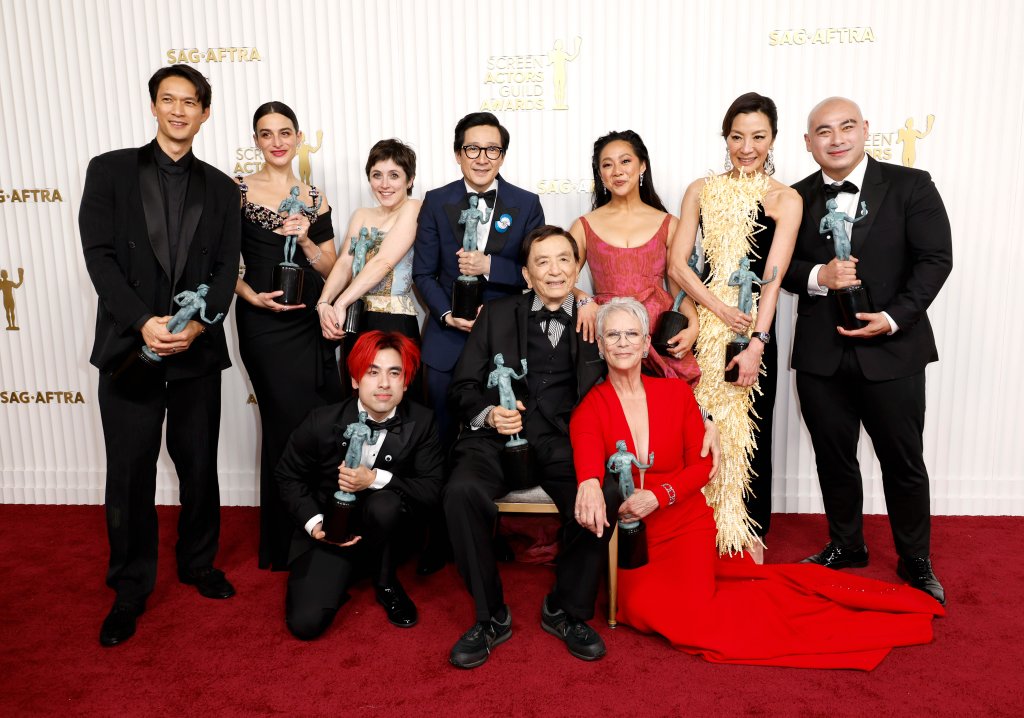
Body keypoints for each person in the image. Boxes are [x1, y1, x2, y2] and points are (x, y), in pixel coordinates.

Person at [570, 298, 944, 670]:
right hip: (636, 537)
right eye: (613, 334)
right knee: (637, 609)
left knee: (696, 618)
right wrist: (588, 482)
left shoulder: (675, 393)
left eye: (631, 333)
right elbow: (587, 461)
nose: (622, 342)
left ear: (645, 341)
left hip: (684, 523)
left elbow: (702, 469)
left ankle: (838, 630)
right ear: (600, 345)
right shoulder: (590, 408)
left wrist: (659, 495)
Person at [79, 65, 241, 647]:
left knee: (199, 466)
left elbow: (227, 269)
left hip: (196, 353)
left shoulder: (224, 188)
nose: (178, 110)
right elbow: (98, 256)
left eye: (190, 102)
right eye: (168, 100)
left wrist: (198, 324)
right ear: (153, 107)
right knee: (129, 473)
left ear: (205, 112)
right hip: (131, 348)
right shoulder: (110, 170)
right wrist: (141, 322)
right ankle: (129, 587)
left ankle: (198, 563)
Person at [782, 97, 953, 605]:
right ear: (808, 142)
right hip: (821, 356)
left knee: (903, 461)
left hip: (894, 351)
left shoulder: (911, 186)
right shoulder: (792, 198)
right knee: (834, 459)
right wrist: (818, 276)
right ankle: (846, 545)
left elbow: (935, 259)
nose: (836, 139)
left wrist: (895, 317)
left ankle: (916, 560)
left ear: (866, 131)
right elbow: (775, 267)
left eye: (846, 127)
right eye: (823, 131)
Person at [442, 225, 617, 668]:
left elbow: (623, 383)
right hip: (493, 440)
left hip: (563, 441)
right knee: (461, 492)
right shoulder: (497, 314)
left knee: (606, 492)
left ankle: (565, 609)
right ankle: (490, 617)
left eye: (564, 260)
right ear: (526, 274)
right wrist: (488, 414)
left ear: (578, 267)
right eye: (542, 262)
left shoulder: (596, 317)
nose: (555, 270)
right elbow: (462, 385)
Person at [668, 92, 801, 562]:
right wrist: (715, 312)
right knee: (698, 424)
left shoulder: (786, 198)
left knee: (749, 433)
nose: (747, 146)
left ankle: (747, 533)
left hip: (752, 329)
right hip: (704, 326)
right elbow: (677, 265)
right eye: (737, 136)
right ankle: (697, 527)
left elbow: (773, 278)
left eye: (758, 137)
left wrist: (757, 343)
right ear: (725, 138)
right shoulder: (700, 189)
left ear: (773, 140)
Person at [275, 331, 444, 639]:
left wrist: (375, 478)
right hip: (331, 531)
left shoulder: (423, 422)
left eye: (395, 373)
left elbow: (432, 490)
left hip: (390, 531)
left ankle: (385, 580)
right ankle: (345, 571)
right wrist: (316, 526)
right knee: (305, 623)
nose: (384, 384)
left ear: (406, 382)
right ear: (354, 380)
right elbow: (288, 476)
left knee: (386, 502)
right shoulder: (321, 421)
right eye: (372, 372)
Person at [234, 101, 340, 571]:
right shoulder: (234, 191)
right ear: (255, 140)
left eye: (284, 132)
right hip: (263, 324)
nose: (276, 142)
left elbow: (334, 268)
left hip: (307, 323)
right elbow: (219, 264)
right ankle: (282, 542)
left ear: (298, 138)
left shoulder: (314, 198)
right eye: (265, 133)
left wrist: (305, 240)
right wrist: (251, 295)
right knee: (282, 422)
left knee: (317, 423)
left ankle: (321, 529)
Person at [412, 112, 545, 453]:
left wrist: (490, 266)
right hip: (446, 340)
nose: (482, 158)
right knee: (439, 433)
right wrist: (445, 315)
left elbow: (537, 274)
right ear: (457, 154)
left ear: (502, 156)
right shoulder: (436, 200)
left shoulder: (527, 203)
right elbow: (423, 274)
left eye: (492, 150)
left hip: (505, 341)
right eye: (472, 149)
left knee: (499, 434)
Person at [569, 130, 700, 383]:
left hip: (658, 335)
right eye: (607, 164)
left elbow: (678, 287)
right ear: (600, 174)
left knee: (663, 414)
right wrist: (583, 298)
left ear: (642, 166)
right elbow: (558, 282)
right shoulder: (584, 225)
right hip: (608, 335)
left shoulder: (669, 224)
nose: (617, 171)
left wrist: (693, 324)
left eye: (625, 161)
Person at [318, 139, 423, 355]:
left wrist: (340, 303)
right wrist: (324, 302)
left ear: (410, 180)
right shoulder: (361, 215)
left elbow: (383, 262)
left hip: (394, 322)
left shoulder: (414, 208)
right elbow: (344, 263)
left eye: (394, 175)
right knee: (356, 387)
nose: (384, 184)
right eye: (377, 175)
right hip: (356, 318)